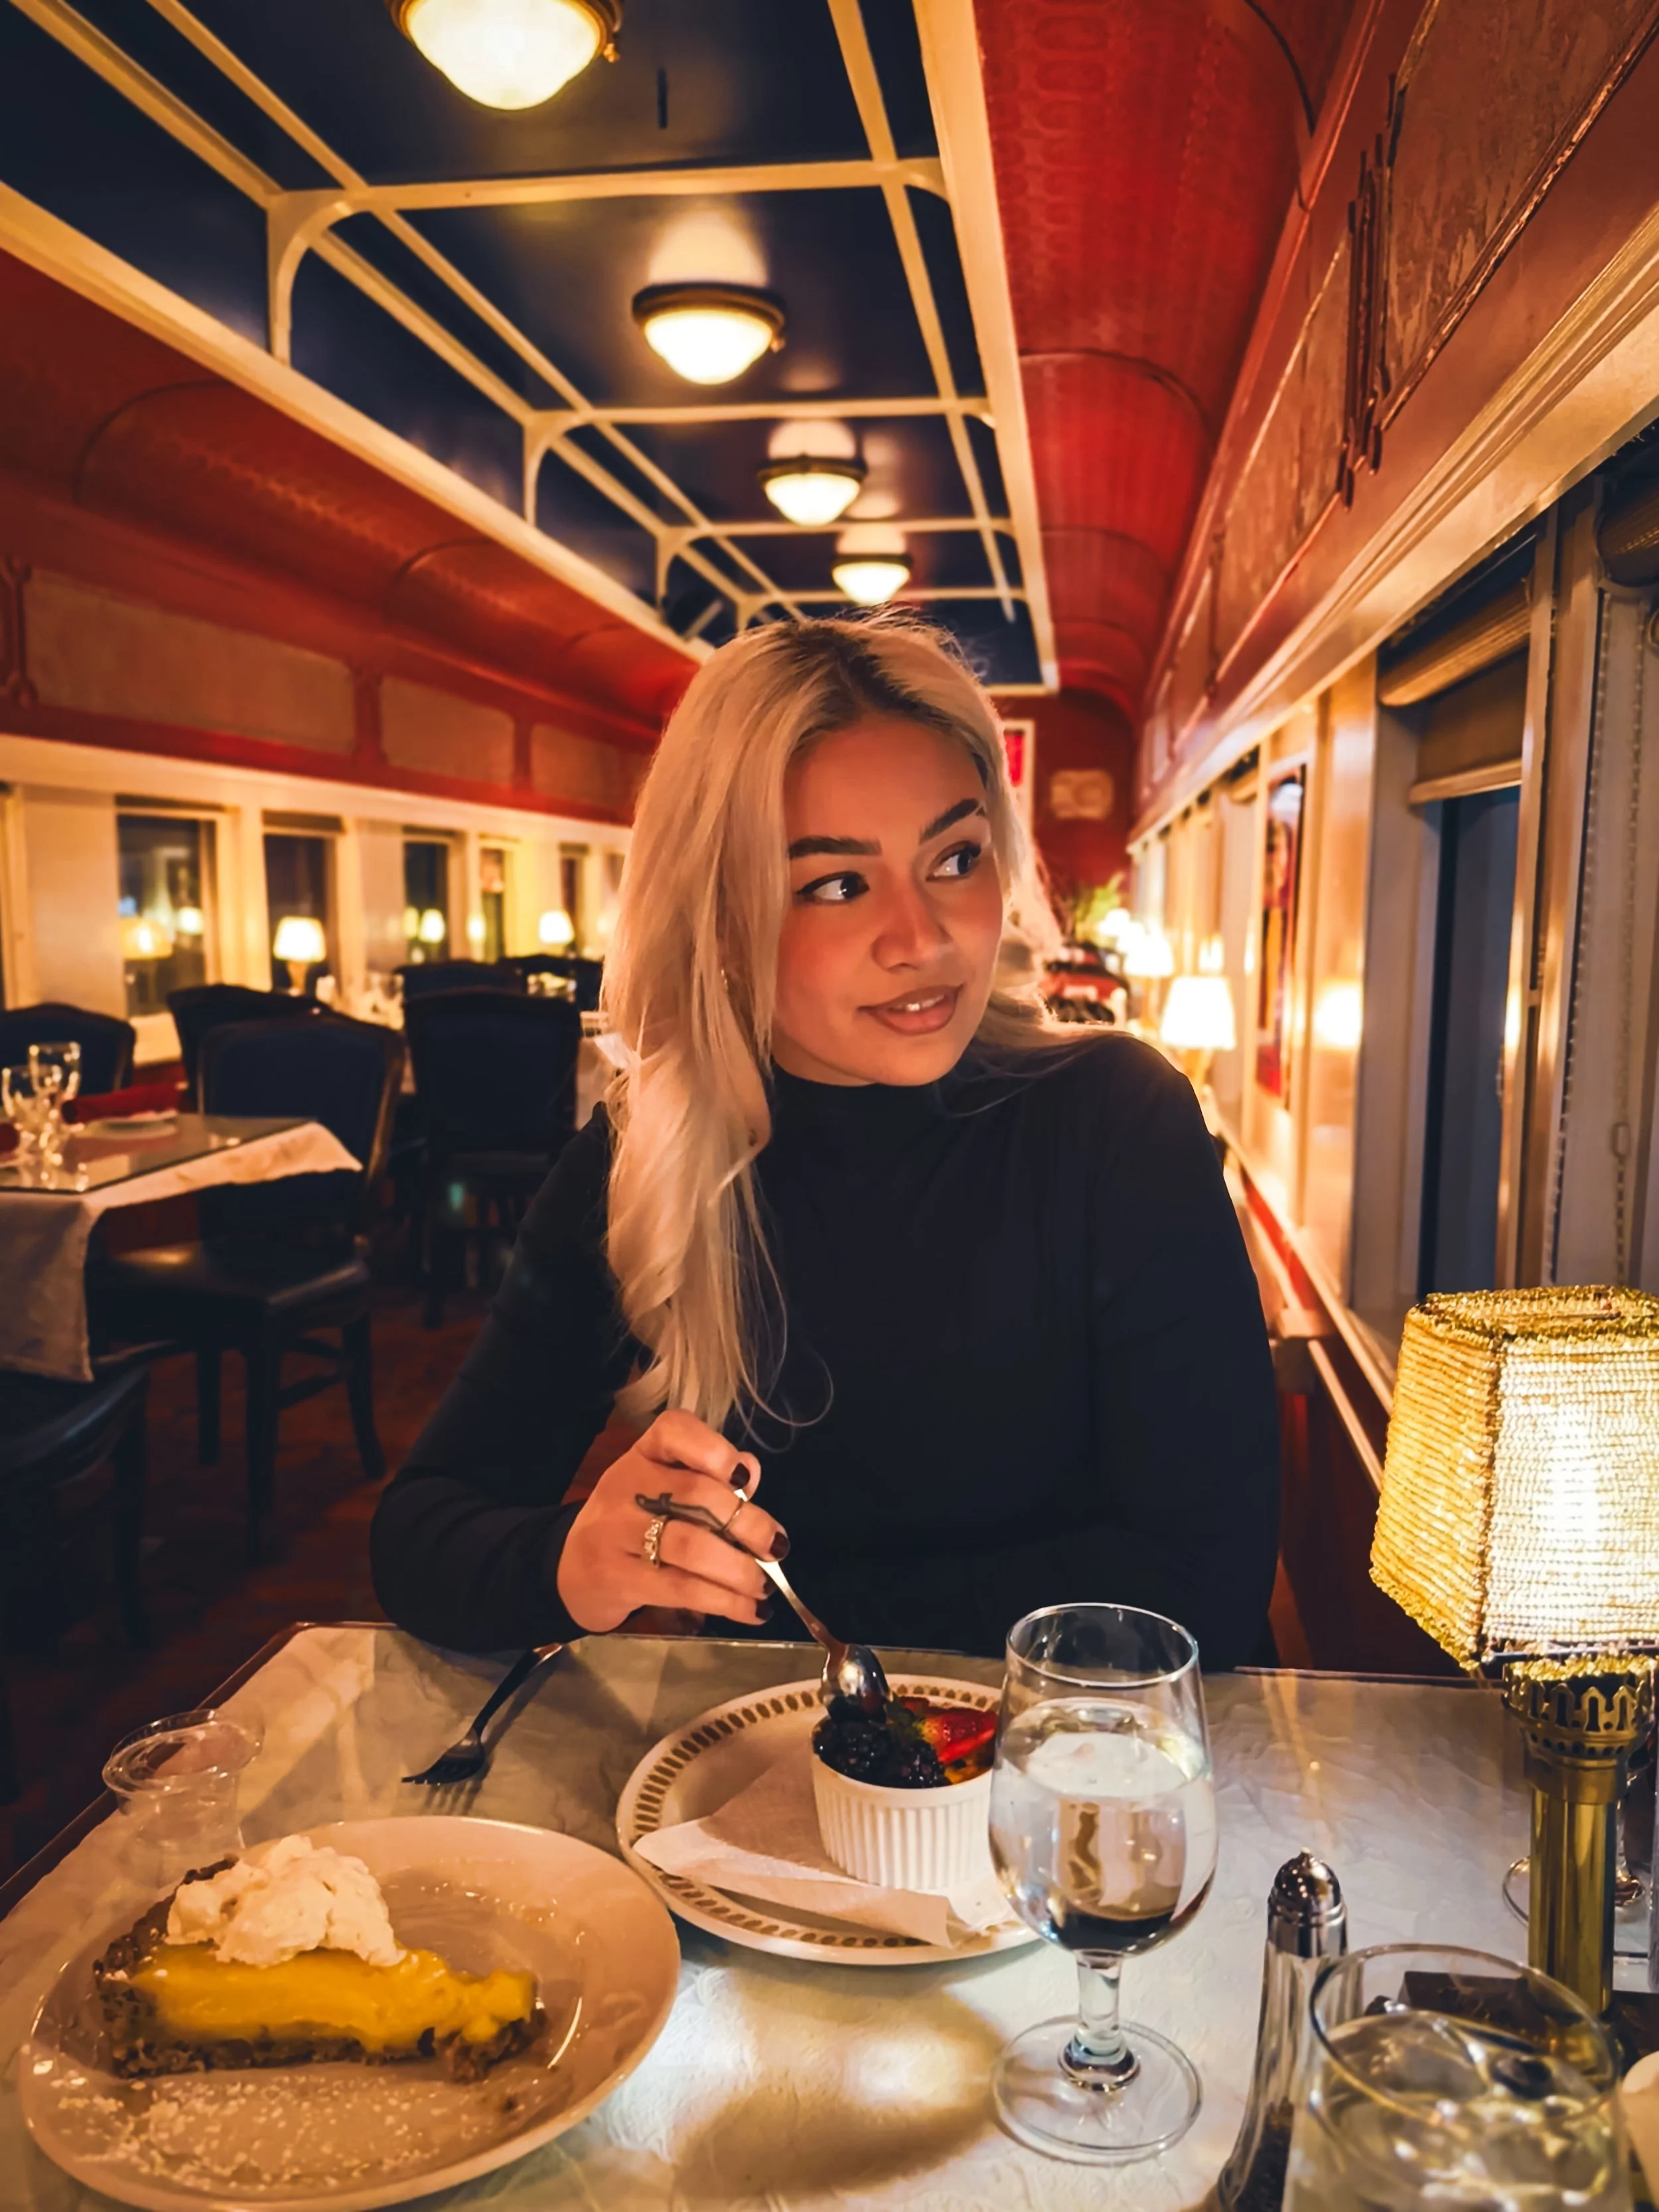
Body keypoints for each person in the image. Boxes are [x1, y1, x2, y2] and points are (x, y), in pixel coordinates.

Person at [371, 617, 1280, 1664]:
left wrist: (777, 1612)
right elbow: (420, 1533)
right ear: (721, 921)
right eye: (838, 885)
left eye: (956, 859)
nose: (923, 938)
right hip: (777, 1760)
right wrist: (574, 1562)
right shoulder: (647, 1161)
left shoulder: (1118, 1118)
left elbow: (1206, 1584)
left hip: (1085, 1753)